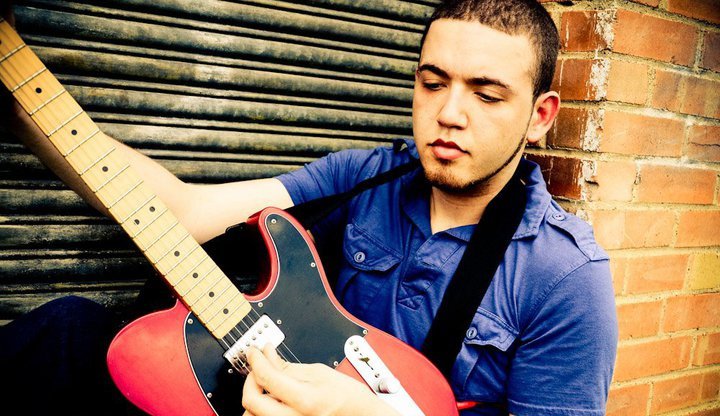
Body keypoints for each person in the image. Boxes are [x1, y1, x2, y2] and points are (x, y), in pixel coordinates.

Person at [1, 0, 618, 415]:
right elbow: (187, 212)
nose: (449, 113)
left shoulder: (566, 277)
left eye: (486, 95)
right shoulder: (365, 177)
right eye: (433, 83)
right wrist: (22, 101)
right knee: (68, 332)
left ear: (539, 116)